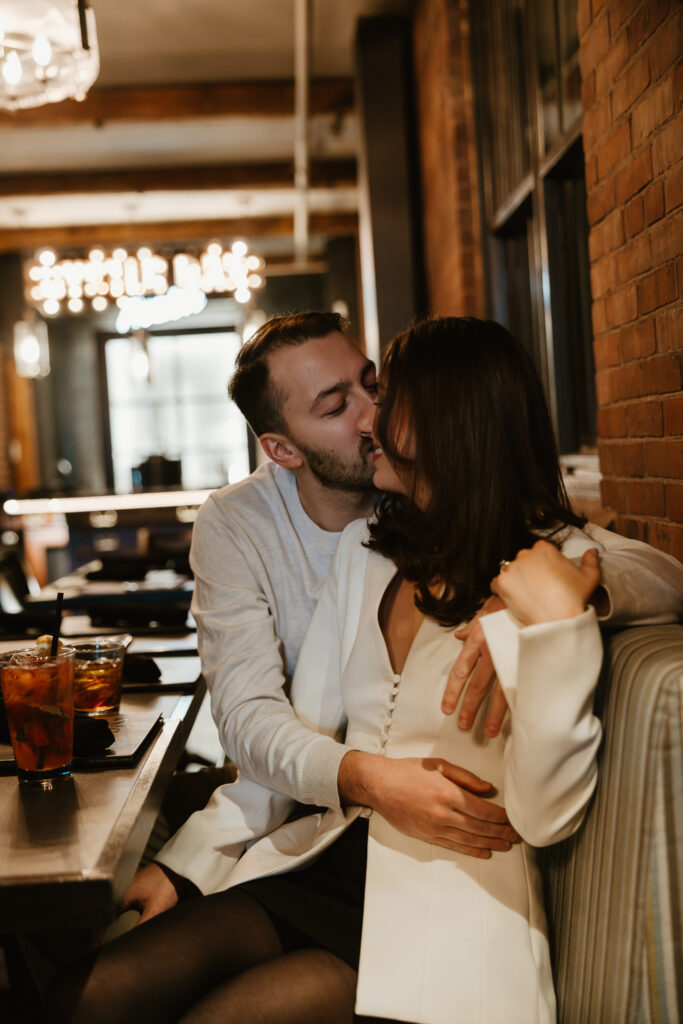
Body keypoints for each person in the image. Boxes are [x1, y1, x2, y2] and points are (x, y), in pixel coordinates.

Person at [50, 318, 681, 1024]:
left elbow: (653, 575)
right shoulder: (365, 546)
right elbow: (276, 723)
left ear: (449, 422)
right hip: (331, 851)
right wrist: (190, 863)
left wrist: (557, 607)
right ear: (281, 447)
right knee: (91, 994)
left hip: (444, 891)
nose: (370, 416)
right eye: (337, 403)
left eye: (380, 391)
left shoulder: (537, 562)